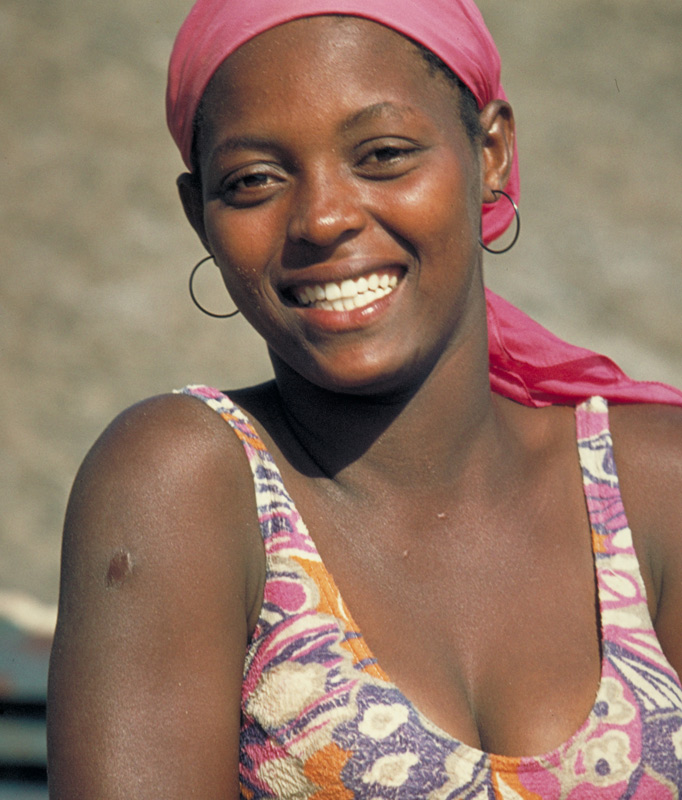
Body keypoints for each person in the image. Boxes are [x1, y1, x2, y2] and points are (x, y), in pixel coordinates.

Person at [47, 0, 682, 797]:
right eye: (254, 180)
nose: (322, 218)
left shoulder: (654, 487)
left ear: (490, 152)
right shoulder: (185, 487)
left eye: (382, 154)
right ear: (198, 214)